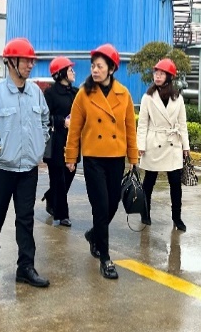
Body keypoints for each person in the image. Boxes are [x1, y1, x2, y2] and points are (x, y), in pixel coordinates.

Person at [0, 37, 51, 288]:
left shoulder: (36, 93)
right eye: (26, 61)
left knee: (25, 218)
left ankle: (25, 266)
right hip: (1, 168)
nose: (30, 65)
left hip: (28, 169)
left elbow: (45, 121)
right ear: (11, 62)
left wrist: (39, 144)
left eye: (31, 61)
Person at [65, 43, 138, 280]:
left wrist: (133, 157)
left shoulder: (124, 94)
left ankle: (94, 235)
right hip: (94, 158)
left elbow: (130, 128)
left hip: (116, 157)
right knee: (100, 206)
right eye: (93, 66)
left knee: (113, 203)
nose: (95, 70)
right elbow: (74, 128)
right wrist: (71, 156)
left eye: (100, 66)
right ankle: (105, 258)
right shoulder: (84, 94)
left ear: (111, 69)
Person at [137, 58, 190, 231]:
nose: (157, 76)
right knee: (149, 181)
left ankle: (177, 218)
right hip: (154, 142)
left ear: (169, 77)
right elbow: (142, 124)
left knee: (175, 183)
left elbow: (182, 124)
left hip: (172, 143)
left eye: (161, 74)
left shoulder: (178, 98)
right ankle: (145, 213)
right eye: (156, 73)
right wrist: (140, 145)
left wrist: (186, 147)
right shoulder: (148, 97)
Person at [40, 56, 78, 227]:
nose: (73, 72)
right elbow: (44, 116)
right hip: (56, 141)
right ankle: (62, 215)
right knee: (58, 179)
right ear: (61, 73)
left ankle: (50, 197)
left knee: (69, 175)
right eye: (70, 70)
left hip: (73, 141)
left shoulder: (76, 92)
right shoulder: (50, 93)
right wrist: (62, 121)